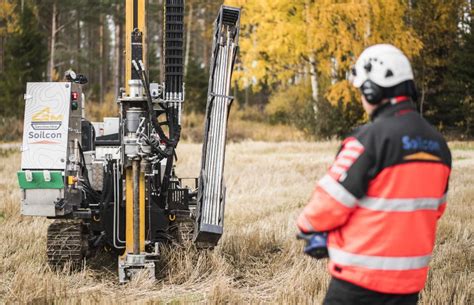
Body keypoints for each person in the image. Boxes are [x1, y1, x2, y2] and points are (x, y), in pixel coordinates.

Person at [296, 44, 452, 305]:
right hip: (408, 288)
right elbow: (436, 208)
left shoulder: (370, 139)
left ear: (372, 89)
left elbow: (325, 207)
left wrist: (306, 226)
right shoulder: (439, 145)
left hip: (358, 286)